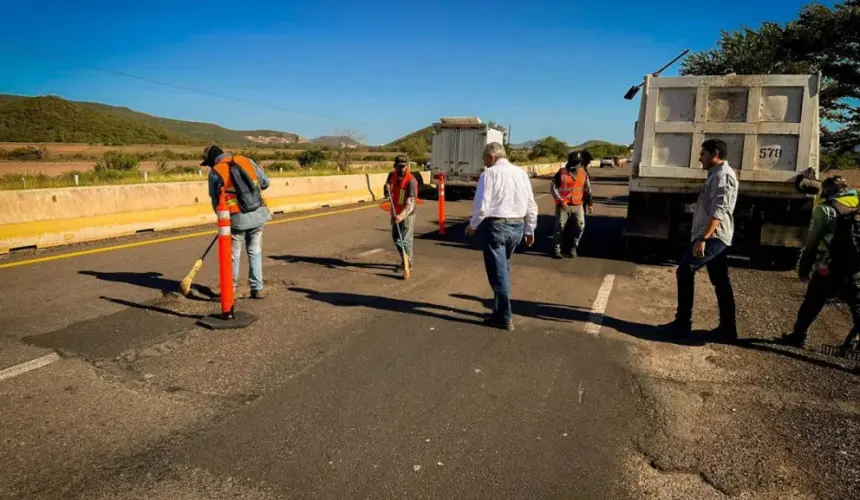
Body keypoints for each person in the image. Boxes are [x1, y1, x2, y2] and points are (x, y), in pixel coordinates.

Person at [662, 139, 738, 341]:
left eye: (703, 154)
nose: (699, 158)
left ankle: (682, 324)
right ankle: (728, 328)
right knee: (721, 281)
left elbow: (719, 211)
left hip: (714, 236)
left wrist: (703, 238)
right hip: (710, 235)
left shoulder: (723, 177)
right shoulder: (715, 175)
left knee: (685, 270)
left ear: (715, 154)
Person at [465, 142, 539, 330]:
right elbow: (531, 203)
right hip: (517, 226)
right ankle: (498, 311)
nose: (484, 162)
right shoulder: (521, 173)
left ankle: (505, 317)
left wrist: (473, 226)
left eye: (484, 159)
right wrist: (530, 229)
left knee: (498, 274)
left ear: (492, 157)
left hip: (497, 226)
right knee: (504, 269)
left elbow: (482, 205)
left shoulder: (489, 174)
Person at [781, 175, 860, 349]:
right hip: (856, 268)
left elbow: (812, 242)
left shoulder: (825, 210)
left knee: (812, 303)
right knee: (857, 309)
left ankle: (798, 336)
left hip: (829, 268)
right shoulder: (857, 203)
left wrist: (804, 269)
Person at [203, 144, 271, 299]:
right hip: (258, 214)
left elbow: (215, 201)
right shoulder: (246, 161)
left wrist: (222, 222)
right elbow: (265, 183)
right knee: (254, 250)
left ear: (213, 159)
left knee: (234, 255)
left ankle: (230, 290)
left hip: (236, 218)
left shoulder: (215, 172)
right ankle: (257, 288)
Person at [550, 151, 594, 258]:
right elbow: (553, 187)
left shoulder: (583, 173)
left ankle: (573, 247)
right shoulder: (561, 172)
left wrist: (590, 203)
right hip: (563, 205)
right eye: (575, 161)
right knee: (559, 228)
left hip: (578, 205)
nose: (577, 163)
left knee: (580, 227)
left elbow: (587, 189)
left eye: (578, 161)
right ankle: (557, 249)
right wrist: (560, 200)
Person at [383, 155, 419, 275]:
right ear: (395, 166)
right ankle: (404, 258)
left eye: (404, 166)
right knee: (396, 237)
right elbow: (387, 187)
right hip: (395, 210)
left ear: (407, 166)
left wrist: (401, 216)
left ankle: (408, 262)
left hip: (408, 213)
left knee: (406, 240)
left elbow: (411, 203)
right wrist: (387, 189)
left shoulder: (411, 181)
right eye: (400, 167)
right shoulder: (391, 175)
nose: (402, 169)